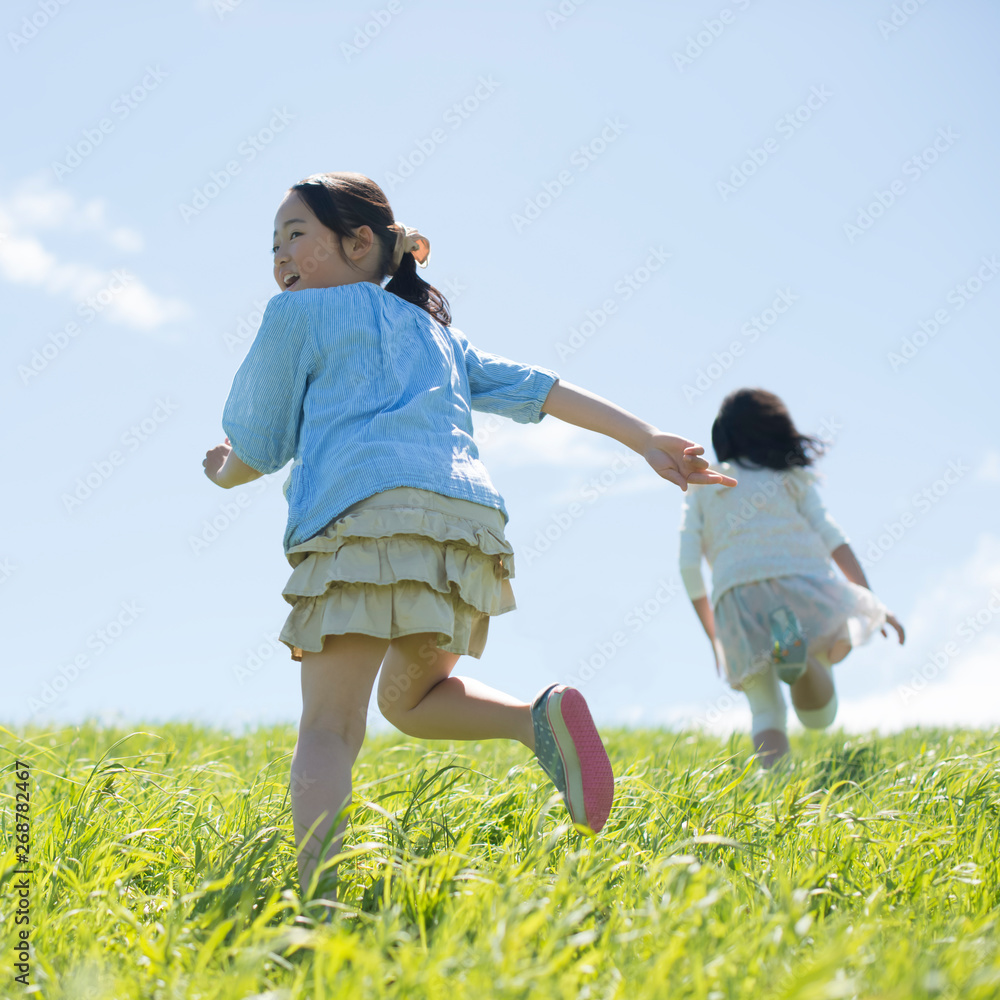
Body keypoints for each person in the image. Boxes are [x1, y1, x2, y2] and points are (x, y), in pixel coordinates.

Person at [202, 172, 736, 899]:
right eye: (273, 244)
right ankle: (534, 720)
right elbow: (538, 388)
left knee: (329, 727)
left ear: (360, 243)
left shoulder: (300, 317)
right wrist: (643, 437)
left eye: (296, 235)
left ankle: (316, 901)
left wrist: (224, 471)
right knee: (410, 700)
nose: (280, 256)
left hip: (364, 517)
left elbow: (260, 441)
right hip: (464, 531)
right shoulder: (437, 335)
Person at [678, 388, 905, 766]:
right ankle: (800, 659)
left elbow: (687, 566)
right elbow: (834, 538)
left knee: (765, 710)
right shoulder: (791, 478)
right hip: (802, 585)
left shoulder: (706, 484)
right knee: (819, 717)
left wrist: (714, 634)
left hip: (736, 601)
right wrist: (872, 602)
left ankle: (776, 797)